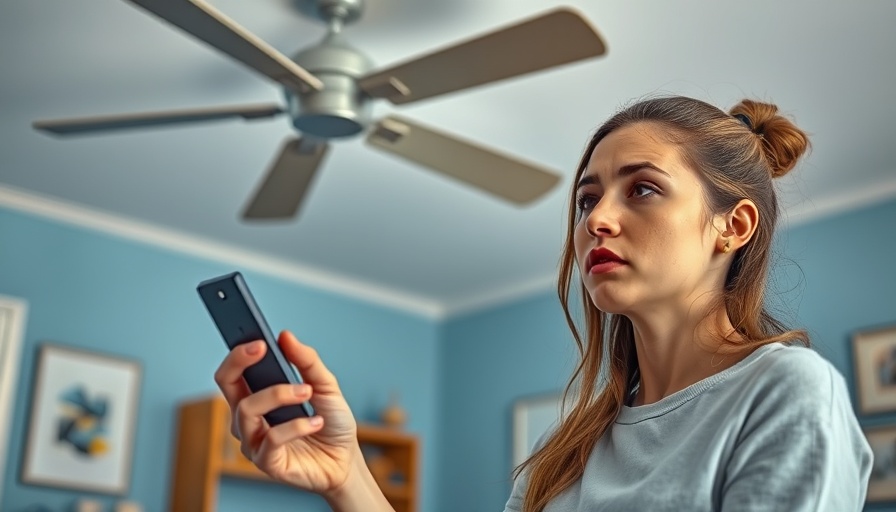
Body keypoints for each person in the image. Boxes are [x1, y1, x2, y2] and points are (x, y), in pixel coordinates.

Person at [213, 95, 874, 511]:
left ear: (732, 227)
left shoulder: (788, 392)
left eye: (641, 190)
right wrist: (343, 472)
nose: (597, 221)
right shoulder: (569, 452)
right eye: (588, 199)